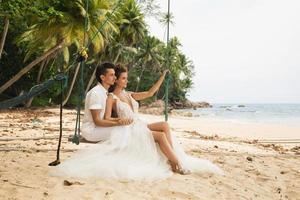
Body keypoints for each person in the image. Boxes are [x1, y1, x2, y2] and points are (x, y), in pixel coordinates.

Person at [54, 65, 223, 181]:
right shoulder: (111, 97)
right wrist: (119, 121)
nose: (126, 81)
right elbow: (104, 118)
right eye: (123, 78)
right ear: (117, 80)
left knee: (164, 126)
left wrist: (162, 77)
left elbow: (150, 92)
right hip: (130, 127)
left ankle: (170, 156)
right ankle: (175, 163)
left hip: (138, 124)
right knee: (159, 136)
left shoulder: (130, 94)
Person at [81, 62, 133, 142]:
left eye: (115, 75)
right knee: (124, 130)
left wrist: (120, 120)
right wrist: (118, 123)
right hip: (91, 131)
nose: (115, 78)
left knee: (128, 128)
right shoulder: (96, 93)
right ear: (102, 77)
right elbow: (97, 121)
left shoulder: (105, 93)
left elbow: (106, 118)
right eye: (111, 75)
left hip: (99, 128)